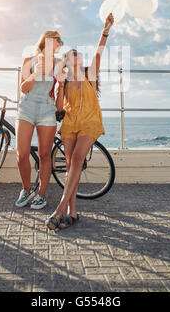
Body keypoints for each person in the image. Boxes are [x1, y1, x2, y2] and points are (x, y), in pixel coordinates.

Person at [45, 13, 114, 230]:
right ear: (67, 61)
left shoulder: (89, 75)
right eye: (73, 54)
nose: (78, 56)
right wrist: (61, 86)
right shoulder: (64, 81)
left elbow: (99, 51)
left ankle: (59, 209)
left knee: (76, 159)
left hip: (90, 121)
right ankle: (72, 213)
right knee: (69, 166)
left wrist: (105, 30)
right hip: (70, 123)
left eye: (78, 55)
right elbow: (59, 108)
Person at [15, 31, 63, 209]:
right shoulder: (29, 60)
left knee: (44, 155)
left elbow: (61, 94)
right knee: (22, 154)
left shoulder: (59, 64)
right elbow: (23, 88)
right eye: (57, 41)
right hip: (26, 108)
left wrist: (63, 85)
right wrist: (35, 74)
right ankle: (27, 190)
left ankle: (41, 194)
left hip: (47, 110)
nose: (59, 44)